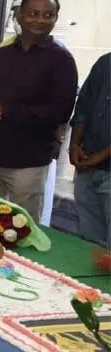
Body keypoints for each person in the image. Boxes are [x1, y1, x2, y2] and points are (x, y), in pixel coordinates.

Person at [0, 0, 78, 221]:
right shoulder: (1, 56)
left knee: (23, 230)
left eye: (48, 15)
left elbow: (60, 111)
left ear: (56, 18)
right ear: (19, 16)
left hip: (27, 164)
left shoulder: (62, 60)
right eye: (33, 13)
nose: (40, 20)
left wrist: (5, 110)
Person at [69, 53, 110, 247]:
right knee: (90, 246)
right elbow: (83, 108)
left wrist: (100, 157)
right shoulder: (105, 62)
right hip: (88, 169)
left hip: (100, 166)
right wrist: (75, 144)